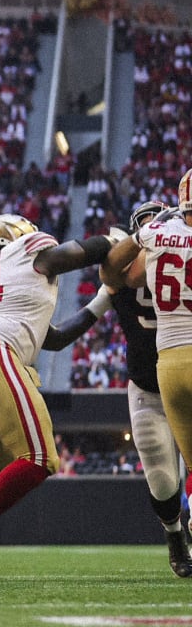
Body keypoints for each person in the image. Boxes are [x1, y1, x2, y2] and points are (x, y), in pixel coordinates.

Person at [0, 214, 121, 581]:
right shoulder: (28, 250)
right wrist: (114, 242)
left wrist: (103, 300)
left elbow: (53, 338)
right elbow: (68, 255)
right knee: (39, 459)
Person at [103, 196, 192, 577]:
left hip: (167, 369)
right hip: (148, 385)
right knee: (161, 475)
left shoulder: (161, 245)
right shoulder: (127, 277)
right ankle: (175, 536)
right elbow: (111, 278)